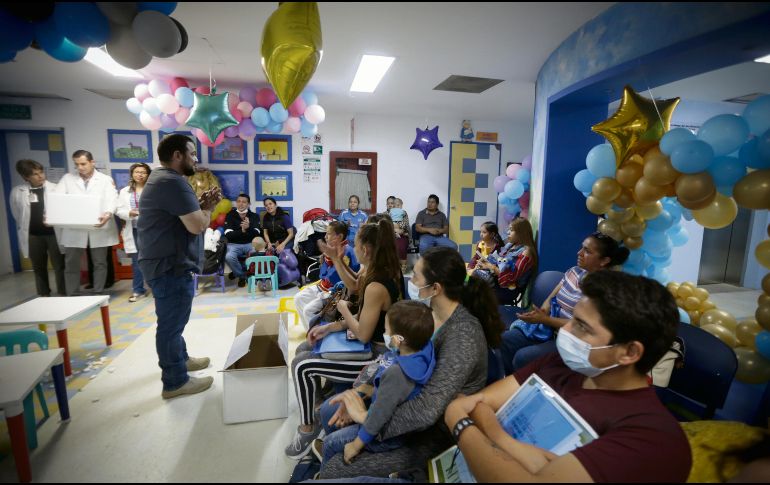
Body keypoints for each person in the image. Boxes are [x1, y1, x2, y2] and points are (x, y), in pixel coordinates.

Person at [444, 270, 692, 483]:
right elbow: (478, 403)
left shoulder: (652, 437)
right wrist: (511, 447)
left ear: (629, 352)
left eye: (582, 327)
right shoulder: (559, 364)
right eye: (572, 318)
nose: (566, 329)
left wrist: (460, 422)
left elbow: (466, 410)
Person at [317, 247, 504, 480]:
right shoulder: (425, 312)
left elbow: (427, 410)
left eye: (415, 276)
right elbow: (393, 357)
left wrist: (367, 419)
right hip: (402, 402)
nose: (411, 281)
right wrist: (362, 390)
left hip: (431, 435)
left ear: (435, 288)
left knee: (335, 467)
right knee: (329, 410)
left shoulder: (463, 336)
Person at [285, 219, 404, 459]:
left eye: (356, 244)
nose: (353, 248)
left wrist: (343, 310)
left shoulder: (377, 283)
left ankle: (307, 429)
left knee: (300, 365)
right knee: (305, 348)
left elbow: (363, 332)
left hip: (376, 357)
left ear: (366, 250)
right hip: (368, 346)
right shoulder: (376, 271)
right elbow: (363, 313)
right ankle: (318, 407)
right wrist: (330, 327)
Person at [137, 134, 221, 400]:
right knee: (171, 326)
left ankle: (181, 359)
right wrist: (208, 208)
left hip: (164, 264)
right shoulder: (172, 182)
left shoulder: (161, 178)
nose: (195, 159)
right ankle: (175, 382)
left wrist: (200, 206)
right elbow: (197, 225)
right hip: (169, 267)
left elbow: (184, 217)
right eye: (192, 153)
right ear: (177, 155)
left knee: (174, 321)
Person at [311, 300, 436, 468]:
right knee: (329, 412)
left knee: (331, 443)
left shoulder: (398, 374)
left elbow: (378, 416)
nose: (385, 333)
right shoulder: (420, 348)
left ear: (398, 340)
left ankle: (324, 471)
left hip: (383, 435)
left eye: (386, 330)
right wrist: (366, 390)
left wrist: (355, 445)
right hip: (384, 406)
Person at [499, 232, 629, 375]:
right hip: (547, 329)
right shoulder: (574, 272)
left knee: (522, 357)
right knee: (504, 341)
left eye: (587, 251)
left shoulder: (604, 290)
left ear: (604, 261)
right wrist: (543, 311)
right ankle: (511, 380)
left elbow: (583, 326)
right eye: (582, 248)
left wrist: (545, 319)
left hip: (570, 340)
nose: (579, 253)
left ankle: (523, 384)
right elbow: (552, 297)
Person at [54, 150, 118, 296]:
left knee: (100, 262)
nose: (80, 167)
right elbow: (57, 198)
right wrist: (51, 213)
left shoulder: (105, 179)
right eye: (76, 164)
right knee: (71, 262)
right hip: (74, 227)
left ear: (92, 162)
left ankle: (98, 292)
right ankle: (73, 293)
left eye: (83, 164)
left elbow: (112, 198)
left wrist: (108, 213)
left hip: (99, 225)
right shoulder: (67, 179)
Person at [10, 159, 66, 297]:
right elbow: (17, 214)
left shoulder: (55, 188)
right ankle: (43, 294)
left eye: (41, 172)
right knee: (38, 267)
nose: (40, 176)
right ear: (26, 177)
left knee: (59, 265)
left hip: (53, 233)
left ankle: (63, 292)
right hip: (33, 235)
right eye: (35, 174)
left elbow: (63, 210)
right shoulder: (17, 192)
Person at [293, 221, 360, 330]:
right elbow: (324, 273)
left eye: (328, 234)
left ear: (339, 236)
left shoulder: (347, 251)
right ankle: (309, 331)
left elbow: (341, 279)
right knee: (298, 298)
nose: (325, 236)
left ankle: (317, 334)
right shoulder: (330, 249)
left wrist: (333, 258)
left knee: (308, 311)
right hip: (322, 285)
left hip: (333, 291)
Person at [479, 218, 537, 305]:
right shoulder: (510, 245)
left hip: (508, 290)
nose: (508, 232)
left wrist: (491, 267)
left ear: (521, 232)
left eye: (511, 230)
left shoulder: (526, 252)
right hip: (497, 282)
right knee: (472, 279)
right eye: (508, 229)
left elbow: (511, 278)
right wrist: (486, 263)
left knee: (475, 288)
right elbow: (499, 261)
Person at [116, 162, 151, 302]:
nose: (140, 175)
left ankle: (157, 288)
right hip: (134, 230)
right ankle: (138, 290)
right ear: (132, 174)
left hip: (151, 230)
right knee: (137, 261)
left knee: (154, 259)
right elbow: (119, 210)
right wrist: (129, 213)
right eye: (137, 172)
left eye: (143, 172)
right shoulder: (125, 191)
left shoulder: (153, 189)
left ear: (148, 175)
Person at [224, 193, 262, 288]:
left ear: (248, 204)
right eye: (239, 201)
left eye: (244, 202)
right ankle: (242, 276)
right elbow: (228, 235)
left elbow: (257, 233)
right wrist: (242, 231)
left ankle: (238, 272)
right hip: (233, 244)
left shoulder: (254, 216)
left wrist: (248, 228)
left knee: (257, 254)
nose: (241, 204)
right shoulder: (230, 215)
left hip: (250, 244)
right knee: (229, 257)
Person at [389, 198, 411, 273]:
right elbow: (387, 224)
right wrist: (395, 229)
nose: (396, 206)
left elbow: (406, 224)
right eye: (395, 205)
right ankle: (391, 266)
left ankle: (403, 266)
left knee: (401, 246)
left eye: (398, 205)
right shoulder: (388, 213)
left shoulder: (403, 212)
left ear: (401, 205)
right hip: (391, 234)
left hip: (402, 234)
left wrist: (399, 229)